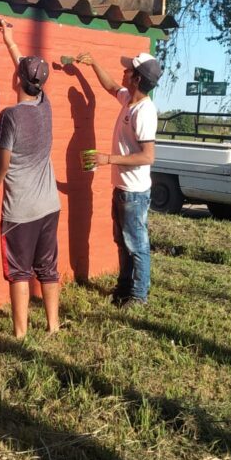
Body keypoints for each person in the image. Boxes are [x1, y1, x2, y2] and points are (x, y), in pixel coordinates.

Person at [0, 18, 61, 338]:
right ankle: (53, 327)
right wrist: (8, 41)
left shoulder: (9, 117)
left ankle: (21, 335)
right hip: (50, 206)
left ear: (17, 79)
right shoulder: (45, 106)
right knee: (47, 268)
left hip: (20, 211)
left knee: (20, 272)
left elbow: (1, 166)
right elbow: (27, 70)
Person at [75, 51, 162, 308]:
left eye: (128, 70)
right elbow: (112, 86)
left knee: (136, 244)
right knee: (123, 242)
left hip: (134, 192)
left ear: (137, 78)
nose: (123, 73)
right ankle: (124, 289)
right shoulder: (128, 100)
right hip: (123, 188)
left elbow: (148, 156)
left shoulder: (144, 112)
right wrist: (94, 63)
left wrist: (108, 159)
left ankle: (139, 296)